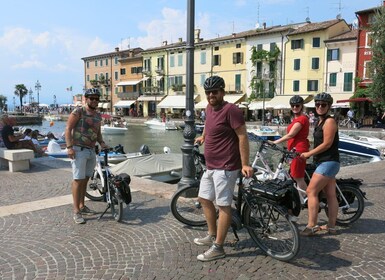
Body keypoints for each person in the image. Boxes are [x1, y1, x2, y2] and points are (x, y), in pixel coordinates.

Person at [193, 76, 253, 262]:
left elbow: (242, 136)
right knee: (204, 198)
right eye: (208, 92)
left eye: (215, 92)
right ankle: (212, 235)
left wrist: (244, 164)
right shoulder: (209, 108)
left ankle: (218, 247)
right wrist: (203, 137)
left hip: (226, 166)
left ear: (222, 92)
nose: (211, 95)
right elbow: (208, 126)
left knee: (224, 205)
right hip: (211, 166)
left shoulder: (231, 110)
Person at [65, 88, 108, 224]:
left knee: (85, 180)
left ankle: (82, 206)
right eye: (92, 98)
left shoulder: (97, 115)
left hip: (91, 150)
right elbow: (68, 129)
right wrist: (69, 147)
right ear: (86, 98)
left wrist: (101, 142)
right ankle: (76, 211)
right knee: (78, 180)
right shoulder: (78, 111)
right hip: (79, 149)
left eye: (97, 98)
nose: (95, 100)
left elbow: (98, 131)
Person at [300, 93, 340, 236]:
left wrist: (309, 154)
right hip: (326, 162)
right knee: (330, 194)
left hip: (328, 162)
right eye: (317, 104)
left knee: (311, 191)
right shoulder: (319, 122)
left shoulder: (329, 122)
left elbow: (327, 144)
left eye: (323, 105)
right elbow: (319, 142)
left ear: (329, 106)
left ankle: (311, 226)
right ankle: (331, 227)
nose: (320, 107)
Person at [272, 95, 309, 194]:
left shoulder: (302, 119)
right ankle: (300, 198)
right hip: (293, 150)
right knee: (294, 175)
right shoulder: (296, 119)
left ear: (301, 106)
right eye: (292, 105)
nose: (295, 108)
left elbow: (291, 135)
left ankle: (309, 199)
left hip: (298, 150)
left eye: (297, 105)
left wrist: (275, 142)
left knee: (298, 177)